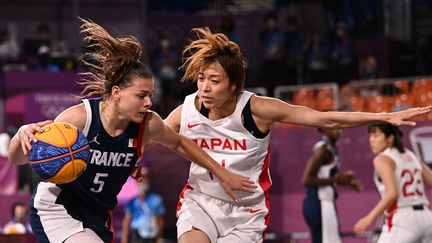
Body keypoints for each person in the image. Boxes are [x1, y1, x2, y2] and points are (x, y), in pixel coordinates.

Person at [161, 27, 431, 243]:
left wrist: (384, 116)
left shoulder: (258, 110)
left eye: (214, 80)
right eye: (201, 78)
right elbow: (154, 131)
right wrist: (137, 157)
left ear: (234, 85)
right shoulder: (188, 109)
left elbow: (324, 117)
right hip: (202, 201)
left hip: (246, 212)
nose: (205, 88)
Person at [7, 18, 255, 243]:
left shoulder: (148, 124)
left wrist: (222, 173)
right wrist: (21, 135)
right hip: (58, 207)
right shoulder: (79, 118)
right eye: (141, 96)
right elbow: (17, 158)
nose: (148, 102)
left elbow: (180, 144)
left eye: (150, 95)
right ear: (116, 93)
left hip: (98, 215)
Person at [354, 124, 432, 242]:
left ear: (390, 138)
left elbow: (392, 193)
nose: (371, 139)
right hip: (427, 218)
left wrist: (369, 218)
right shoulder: (411, 155)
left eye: (376, 135)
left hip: (404, 219)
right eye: (370, 136)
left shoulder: (382, 159)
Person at [302, 127, 363, 243]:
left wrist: (346, 182)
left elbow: (325, 177)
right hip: (318, 201)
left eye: (340, 127)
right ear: (324, 128)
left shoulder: (332, 148)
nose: (338, 130)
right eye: (334, 127)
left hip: (326, 201)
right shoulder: (322, 149)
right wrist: (338, 178)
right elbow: (306, 180)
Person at [121, 167, 165, 243]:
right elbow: (127, 220)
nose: (143, 181)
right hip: (137, 234)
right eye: (140, 178)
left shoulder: (157, 199)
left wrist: (159, 237)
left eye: (145, 178)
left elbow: (160, 220)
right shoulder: (132, 201)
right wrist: (124, 238)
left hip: (151, 234)